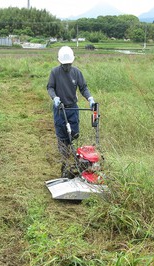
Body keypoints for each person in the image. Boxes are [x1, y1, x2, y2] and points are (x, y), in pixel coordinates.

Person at [47, 46, 95, 178]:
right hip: (60, 108)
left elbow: (83, 87)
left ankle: (75, 161)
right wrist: (54, 97)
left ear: (72, 62)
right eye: (64, 64)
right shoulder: (55, 72)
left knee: (74, 134)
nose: (67, 67)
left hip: (73, 108)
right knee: (62, 136)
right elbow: (50, 87)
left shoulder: (76, 73)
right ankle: (64, 162)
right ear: (60, 62)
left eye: (68, 64)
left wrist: (89, 98)